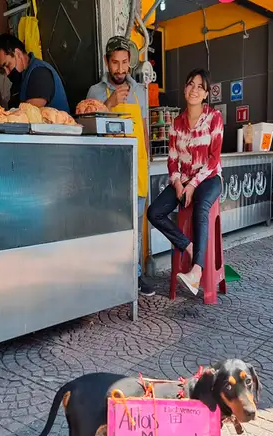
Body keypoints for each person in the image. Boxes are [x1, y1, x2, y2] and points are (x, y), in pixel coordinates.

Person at [146, 69, 224, 297]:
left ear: (206, 93)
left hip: (209, 178)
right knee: (155, 212)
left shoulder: (214, 118)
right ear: (184, 89)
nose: (194, 89)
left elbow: (214, 159)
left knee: (201, 206)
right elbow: (172, 161)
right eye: (191, 84)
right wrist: (179, 185)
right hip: (185, 180)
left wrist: (192, 185)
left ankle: (197, 271)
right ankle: (188, 246)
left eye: (200, 86)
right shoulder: (176, 124)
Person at [87, 37, 155, 297]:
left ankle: (135, 276)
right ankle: (109, 278)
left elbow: (145, 129)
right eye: (115, 63)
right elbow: (87, 128)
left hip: (136, 170)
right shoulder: (95, 92)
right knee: (110, 226)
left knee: (135, 230)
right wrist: (110, 103)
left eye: (124, 63)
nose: (120, 69)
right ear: (106, 62)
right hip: (108, 174)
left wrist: (146, 164)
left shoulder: (140, 91)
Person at [0, 34, 70, 113]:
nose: (7, 73)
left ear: (18, 54)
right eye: (3, 69)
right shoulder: (18, 83)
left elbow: (28, 115)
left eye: (8, 65)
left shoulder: (39, 73)